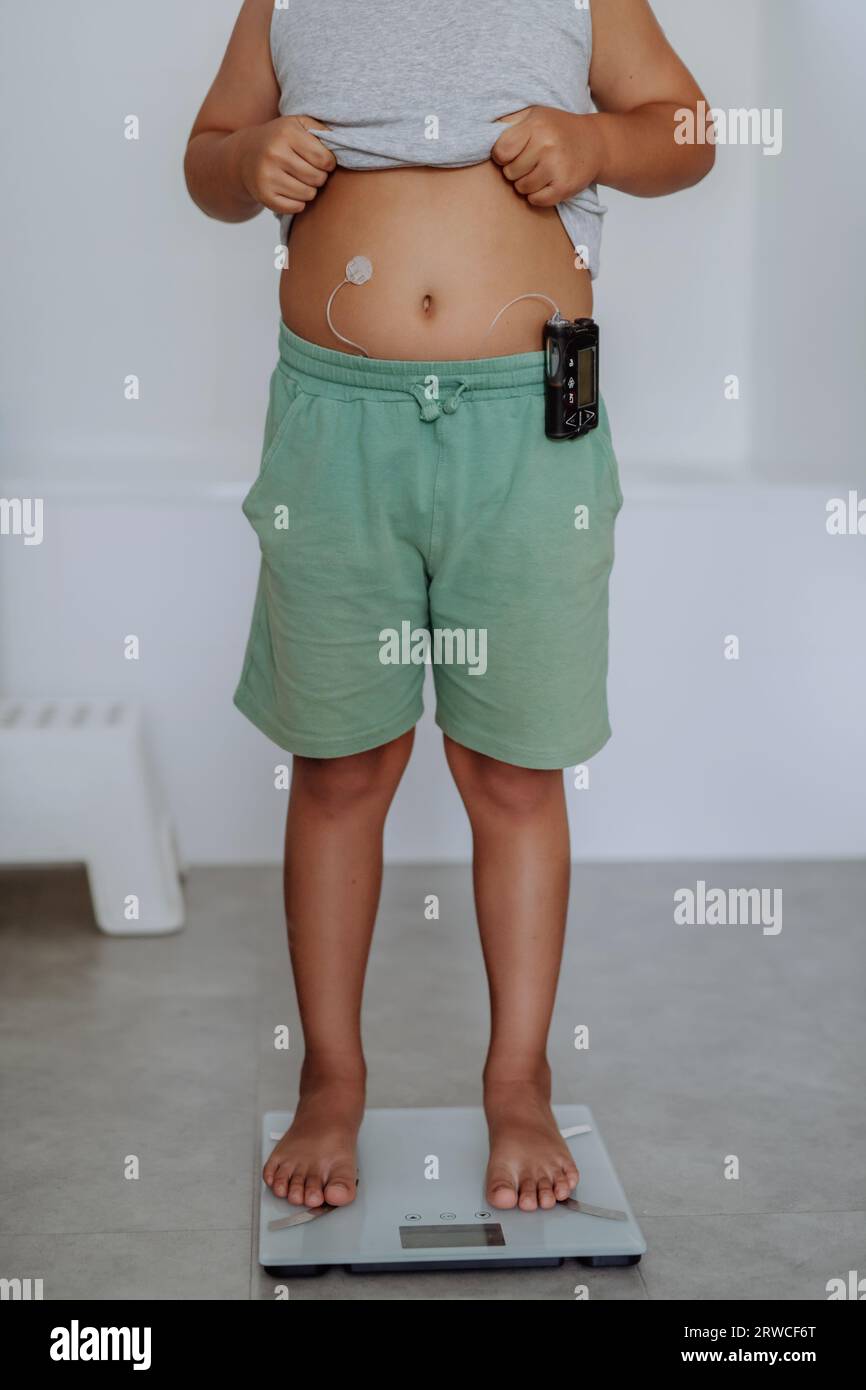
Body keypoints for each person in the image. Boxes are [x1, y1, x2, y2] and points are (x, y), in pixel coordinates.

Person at [184, 0, 713, 1214]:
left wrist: (593, 147)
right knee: (338, 765)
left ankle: (517, 1082)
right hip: (335, 429)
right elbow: (207, 154)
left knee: (515, 773)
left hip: (524, 430)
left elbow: (687, 128)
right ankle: (330, 1078)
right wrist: (240, 163)